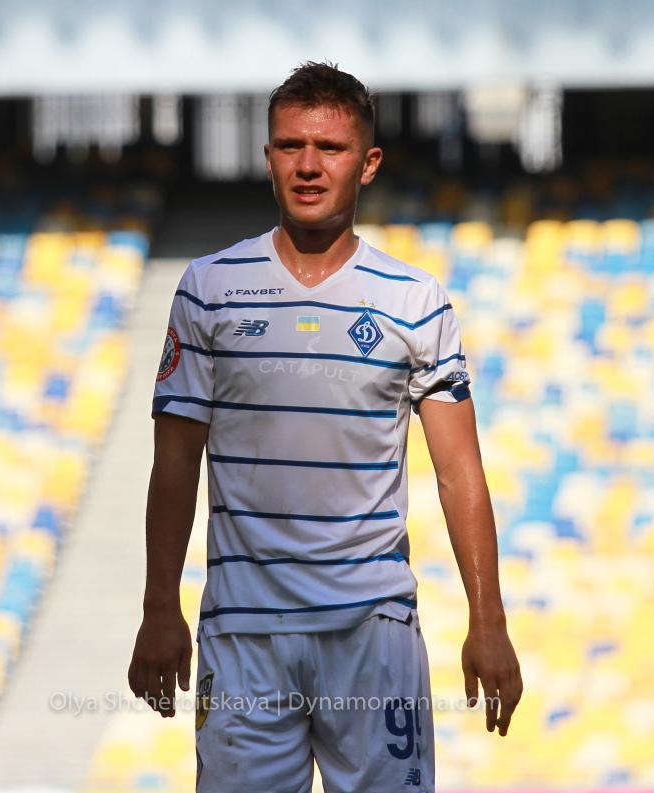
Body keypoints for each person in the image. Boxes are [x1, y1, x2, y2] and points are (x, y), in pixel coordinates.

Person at [128, 61, 522, 793]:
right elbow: (174, 463)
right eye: (290, 146)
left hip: (373, 629)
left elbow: (459, 472)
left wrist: (489, 621)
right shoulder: (208, 289)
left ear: (368, 163)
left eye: (331, 148)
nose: (308, 165)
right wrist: (159, 609)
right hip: (244, 633)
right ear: (268, 156)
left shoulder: (415, 300)